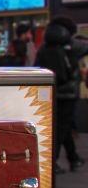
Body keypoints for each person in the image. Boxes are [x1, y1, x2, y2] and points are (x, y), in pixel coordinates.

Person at [35, 18, 84, 174]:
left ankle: (73, 158)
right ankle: (51, 162)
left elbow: (37, 68)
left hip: (49, 92)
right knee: (61, 128)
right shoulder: (73, 46)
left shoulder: (43, 48)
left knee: (62, 126)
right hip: (68, 93)